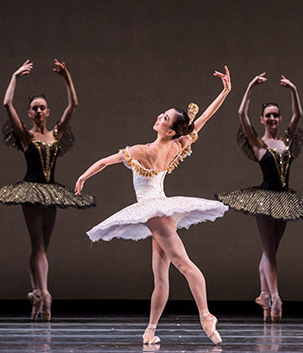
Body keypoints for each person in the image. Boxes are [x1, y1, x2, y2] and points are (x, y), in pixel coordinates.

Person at [74, 66, 231, 345]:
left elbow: (103, 162)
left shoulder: (140, 151)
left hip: (155, 212)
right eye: (162, 114)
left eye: (165, 117)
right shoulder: (175, 146)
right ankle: (150, 331)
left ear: (169, 131)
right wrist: (225, 91)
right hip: (157, 211)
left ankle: (207, 317)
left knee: (184, 264)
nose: (160, 117)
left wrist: (84, 176)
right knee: (161, 278)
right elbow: (203, 119)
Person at [0, 59, 95, 321]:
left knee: (41, 247)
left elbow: (73, 105)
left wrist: (67, 77)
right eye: (35, 108)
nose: (39, 111)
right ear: (30, 113)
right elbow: (7, 104)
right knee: (39, 245)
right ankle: (45, 294)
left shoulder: (56, 134)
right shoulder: (25, 136)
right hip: (30, 191)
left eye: (42, 107)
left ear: (47, 111)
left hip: (51, 192)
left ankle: (37, 295)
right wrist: (14, 76)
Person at [216, 73, 303, 322]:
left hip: (284, 200)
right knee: (269, 252)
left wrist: (294, 89)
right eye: (269, 116)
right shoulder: (257, 143)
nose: (274, 119)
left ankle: (264, 295)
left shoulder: (286, 140)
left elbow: (298, 115)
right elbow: (241, 115)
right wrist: (249, 86)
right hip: (265, 200)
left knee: (270, 251)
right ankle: (275, 298)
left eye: (276, 115)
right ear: (263, 120)